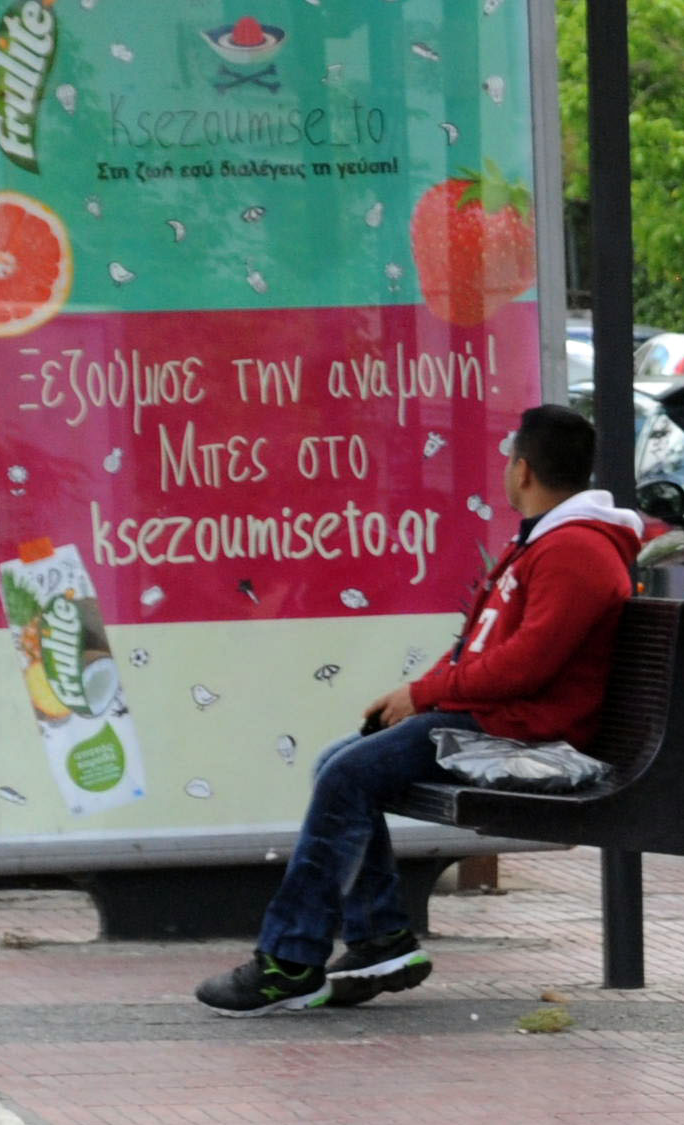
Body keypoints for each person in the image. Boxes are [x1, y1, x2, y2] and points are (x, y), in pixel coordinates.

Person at [199, 402, 643, 1014]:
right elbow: (483, 649)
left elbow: (528, 665)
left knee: (348, 773)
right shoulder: (548, 543)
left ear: (521, 471)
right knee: (342, 760)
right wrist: (413, 695)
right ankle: (380, 937)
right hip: (497, 720)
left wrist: (427, 695)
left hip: (526, 737)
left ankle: (289, 962)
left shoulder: (575, 552)